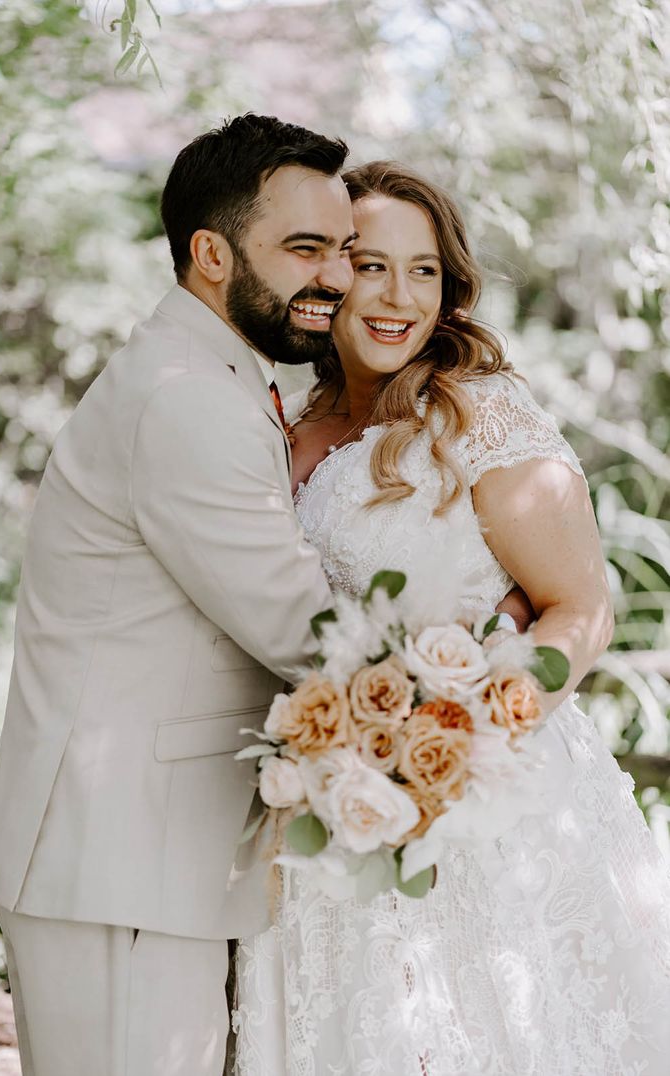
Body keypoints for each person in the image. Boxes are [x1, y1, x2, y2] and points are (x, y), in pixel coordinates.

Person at [234, 161, 670, 1075]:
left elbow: (580, 610)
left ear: (450, 282)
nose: (399, 297)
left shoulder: (480, 415)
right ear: (325, 277)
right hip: (328, 811)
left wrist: (460, 736)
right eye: (369, 264)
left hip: (486, 807)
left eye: (423, 269)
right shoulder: (287, 428)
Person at [0, 113, 359, 1076]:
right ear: (212, 253)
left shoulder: (216, 375)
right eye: (305, 249)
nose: (339, 279)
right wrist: (490, 646)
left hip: (147, 853)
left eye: (345, 249)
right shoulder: (187, 395)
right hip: (120, 862)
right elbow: (306, 630)